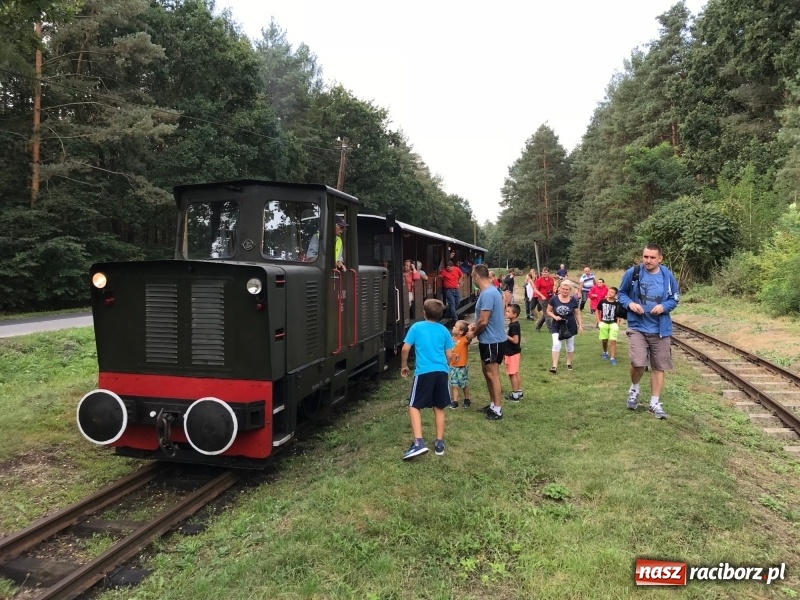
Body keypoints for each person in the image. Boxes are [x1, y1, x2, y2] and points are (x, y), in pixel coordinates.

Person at [617, 244, 680, 420]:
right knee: (637, 362)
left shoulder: (667, 276)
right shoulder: (634, 273)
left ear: (660, 258)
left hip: (660, 329)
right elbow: (621, 293)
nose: (648, 261)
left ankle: (654, 402)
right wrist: (630, 304)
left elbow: (675, 298)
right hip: (638, 326)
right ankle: (634, 388)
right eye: (645, 257)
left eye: (652, 257)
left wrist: (664, 306)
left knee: (659, 366)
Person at [400, 299, 455, 459]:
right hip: (442, 372)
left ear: (424, 313)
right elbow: (450, 355)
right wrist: (447, 365)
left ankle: (418, 443)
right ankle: (439, 443)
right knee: (439, 407)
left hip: (424, 372)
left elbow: (405, 348)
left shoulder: (416, 327)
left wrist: (404, 365)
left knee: (414, 405)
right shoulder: (444, 330)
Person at [466, 264, 506, 420]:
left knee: (493, 374)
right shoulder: (488, 292)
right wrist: (474, 325)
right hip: (488, 340)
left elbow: (484, 321)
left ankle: (497, 410)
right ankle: (492, 405)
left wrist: (472, 334)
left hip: (492, 341)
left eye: (472, 276)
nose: (472, 279)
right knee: (486, 372)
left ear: (476, 276)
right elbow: (483, 320)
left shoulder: (488, 293)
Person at [546, 280, 584, 373]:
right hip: (557, 325)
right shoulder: (554, 299)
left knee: (570, 345)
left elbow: (577, 313)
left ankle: (569, 363)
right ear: (559, 288)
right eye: (563, 288)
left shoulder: (573, 300)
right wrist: (555, 317)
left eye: (567, 289)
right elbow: (548, 311)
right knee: (556, 344)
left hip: (570, 325)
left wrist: (580, 326)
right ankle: (554, 365)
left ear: (570, 290)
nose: (564, 291)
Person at [596, 286, 623, 365]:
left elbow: (619, 314)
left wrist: (617, 323)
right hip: (604, 323)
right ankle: (605, 352)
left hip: (613, 323)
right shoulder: (602, 301)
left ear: (615, 294)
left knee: (613, 340)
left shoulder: (617, 303)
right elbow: (597, 310)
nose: (609, 293)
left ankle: (612, 357)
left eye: (612, 292)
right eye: (609, 291)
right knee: (604, 340)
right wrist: (599, 321)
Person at [448, 320, 471, 409]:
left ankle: (467, 399)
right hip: (452, 366)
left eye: (455, 326)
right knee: (454, 384)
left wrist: (469, 329)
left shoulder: (465, 339)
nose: (453, 327)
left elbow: (470, 337)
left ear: (461, 331)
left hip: (462, 367)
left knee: (464, 384)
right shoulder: (451, 339)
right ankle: (455, 401)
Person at [504, 303, 523, 402]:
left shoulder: (514, 326)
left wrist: (504, 335)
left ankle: (515, 395)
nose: (506, 313)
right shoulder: (514, 324)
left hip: (512, 353)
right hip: (514, 352)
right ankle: (519, 392)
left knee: (512, 374)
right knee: (515, 372)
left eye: (508, 312)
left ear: (514, 314)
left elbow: (515, 340)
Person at [534, 268, 556, 332]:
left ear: (548, 273)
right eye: (543, 272)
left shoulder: (551, 279)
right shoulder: (539, 280)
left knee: (545, 314)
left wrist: (554, 293)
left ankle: (538, 326)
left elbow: (552, 287)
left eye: (545, 272)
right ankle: (551, 329)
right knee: (547, 313)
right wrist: (541, 295)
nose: (544, 273)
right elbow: (535, 290)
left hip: (550, 297)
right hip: (542, 299)